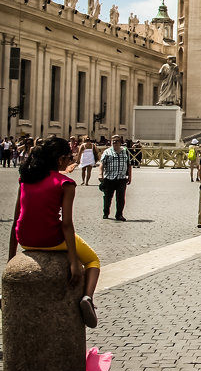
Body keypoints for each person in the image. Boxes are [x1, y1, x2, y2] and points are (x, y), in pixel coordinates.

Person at [9, 137, 102, 328]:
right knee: (93, 261)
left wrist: (11, 256)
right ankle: (88, 298)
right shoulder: (66, 184)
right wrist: (74, 261)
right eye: (69, 157)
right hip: (50, 239)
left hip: (24, 239)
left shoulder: (26, 179)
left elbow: (16, 217)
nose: (71, 161)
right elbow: (67, 224)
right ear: (60, 159)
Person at [98, 135, 132, 221]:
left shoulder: (125, 151)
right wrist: (100, 175)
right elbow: (102, 164)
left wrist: (130, 177)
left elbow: (129, 164)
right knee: (107, 197)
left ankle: (119, 215)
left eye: (117, 141)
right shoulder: (107, 152)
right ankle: (106, 212)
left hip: (121, 178)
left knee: (121, 198)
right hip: (109, 178)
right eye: (113, 141)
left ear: (120, 142)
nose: (114, 142)